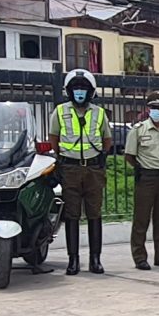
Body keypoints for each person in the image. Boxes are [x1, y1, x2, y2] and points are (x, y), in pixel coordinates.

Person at [52, 68, 111, 274]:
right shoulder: (60, 111)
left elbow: (107, 139)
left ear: (91, 91)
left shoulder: (99, 113)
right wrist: (62, 159)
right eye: (76, 88)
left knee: (94, 214)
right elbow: (53, 137)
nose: (80, 92)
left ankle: (95, 259)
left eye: (84, 88)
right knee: (72, 215)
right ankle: (73, 260)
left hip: (93, 169)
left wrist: (100, 156)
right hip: (70, 168)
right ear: (69, 90)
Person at [124, 97, 159, 269]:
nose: (157, 111)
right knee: (141, 218)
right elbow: (129, 155)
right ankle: (140, 256)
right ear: (148, 110)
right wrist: (141, 169)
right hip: (146, 176)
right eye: (154, 107)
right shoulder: (139, 130)